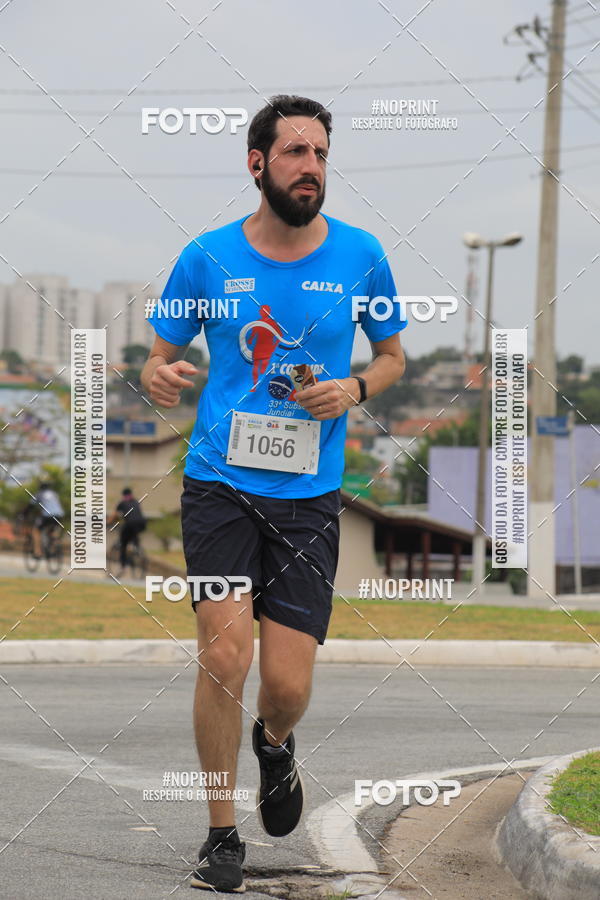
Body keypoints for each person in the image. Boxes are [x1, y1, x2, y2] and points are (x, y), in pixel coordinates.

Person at [142, 94, 407, 894]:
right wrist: (158, 375)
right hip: (219, 485)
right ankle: (223, 835)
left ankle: (276, 742)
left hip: (309, 495)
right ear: (257, 164)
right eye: (295, 153)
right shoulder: (206, 258)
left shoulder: (361, 255)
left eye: (321, 154)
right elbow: (160, 357)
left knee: (286, 686)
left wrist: (356, 385)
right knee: (225, 655)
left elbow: (393, 355)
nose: (311, 168)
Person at [109, 488, 146, 574]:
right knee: (134, 534)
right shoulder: (136, 501)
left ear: (123, 495)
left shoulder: (122, 503)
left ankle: (123, 566)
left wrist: (108, 522)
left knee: (123, 543)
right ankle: (136, 546)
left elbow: (114, 515)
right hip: (142, 523)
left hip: (130, 524)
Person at [28, 481, 64, 558]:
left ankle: (37, 552)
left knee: (36, 531)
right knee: (53, 531)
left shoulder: (39, 494)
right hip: (59, 515)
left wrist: (24, 513)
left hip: (47, 515)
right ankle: (53, 549)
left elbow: (31, 505)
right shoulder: (54, 494)